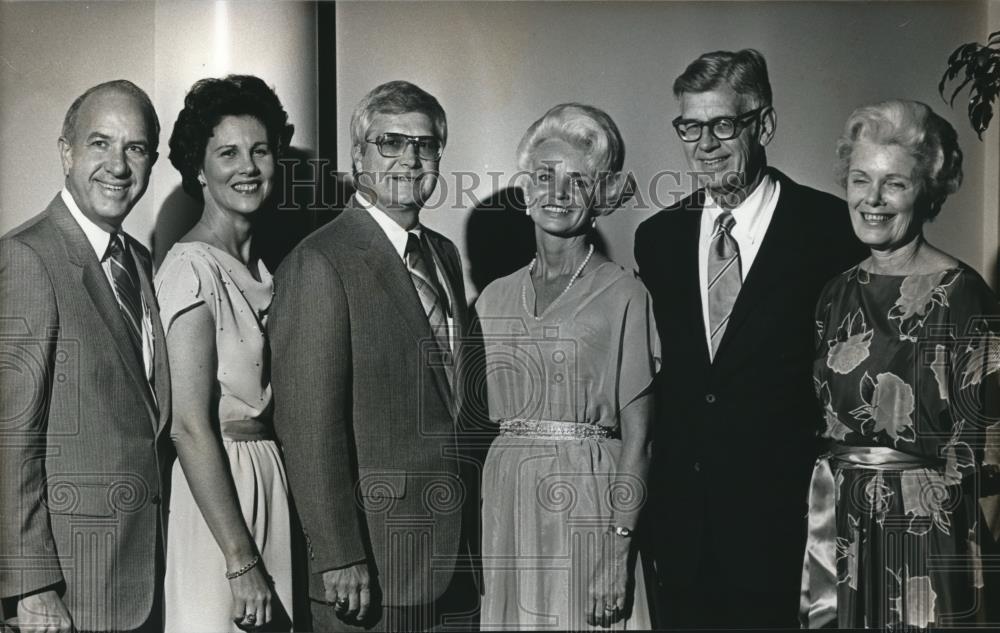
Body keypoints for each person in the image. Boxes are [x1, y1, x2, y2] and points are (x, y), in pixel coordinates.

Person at [634, 49, 867, 627]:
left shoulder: (833, 232)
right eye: (690, 126)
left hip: (785, 530)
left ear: (762, 125)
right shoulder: (657, 239)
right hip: (684, 532)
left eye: (723, 124)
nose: (705, 144)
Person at [270, 80, 479, 632]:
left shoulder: (443, 255)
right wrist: (338, 555)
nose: (411, 158)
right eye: (391, 142)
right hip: (370, 567)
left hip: (453, 556)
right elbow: (309, 426)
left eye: (426, 144)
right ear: (358, 155)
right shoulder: (320, 262)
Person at [799, 99, 998, 629]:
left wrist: (968, 571)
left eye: (896, 184)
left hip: (929, 532)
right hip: (841, 523)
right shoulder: (835, 293)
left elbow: (992, 454)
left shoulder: (963, 295)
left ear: (926, 192)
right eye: (861, 180)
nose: (874, 200)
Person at [477, 103, 659, 630]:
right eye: (543, 175)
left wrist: (617, 553)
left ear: (600, 195)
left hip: (588, 506)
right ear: (525, 187)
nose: (556, 192)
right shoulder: (492, 298)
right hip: (509, 504)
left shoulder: (625, 294)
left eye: (576, 180)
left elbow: (641, 439)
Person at [0, 80, 170, 632]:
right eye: (100, 144)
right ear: (67, 152)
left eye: (136, 148)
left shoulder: (140, 261)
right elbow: (10, 439)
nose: (118, 165)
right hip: (67, 591)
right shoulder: (27, 259)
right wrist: (32, 587)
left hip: (139, 576)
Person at [155, 75, 295, 632]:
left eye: (260, 151)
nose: (248, 167)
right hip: (218, 506)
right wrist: (239, 560)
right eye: (228, 153)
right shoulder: (190, 268)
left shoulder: (270, 268)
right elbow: (188, 426)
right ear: (198, 168)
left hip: (270, 483)